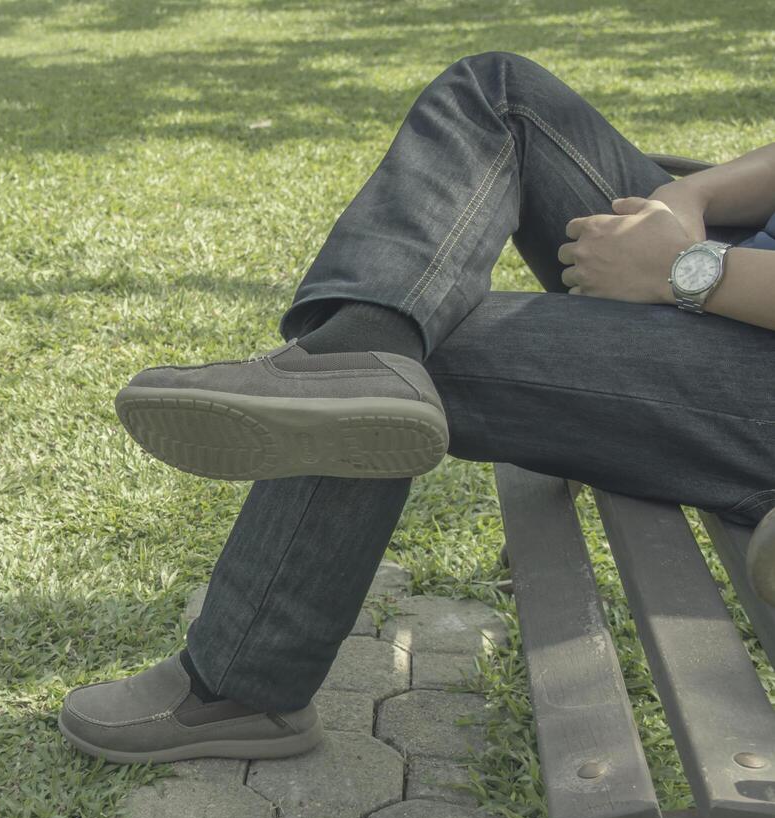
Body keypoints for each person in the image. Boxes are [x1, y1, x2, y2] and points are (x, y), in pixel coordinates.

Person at [57, 51, 775, 766]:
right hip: (732, 266)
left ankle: (236, 687)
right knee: (496, 95)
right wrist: (688, 202)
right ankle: (363, 348)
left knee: (414, 346)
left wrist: (691, 271)